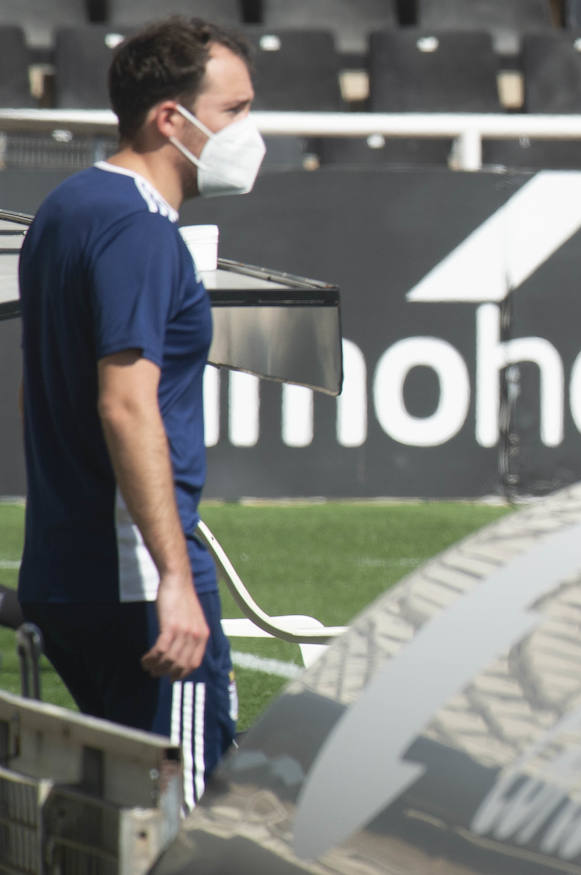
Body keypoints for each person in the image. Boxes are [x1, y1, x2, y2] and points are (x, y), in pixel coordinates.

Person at [17, 17, 265, 809]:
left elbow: (42, 393)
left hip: (67, 576)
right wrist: (173, 580)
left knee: (115, 816)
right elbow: (126, 407)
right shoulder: (140, 229)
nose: (249, 133)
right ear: (171, 118)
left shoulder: (69, 205)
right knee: (184, 818)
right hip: (139, 588)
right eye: (235, 111)